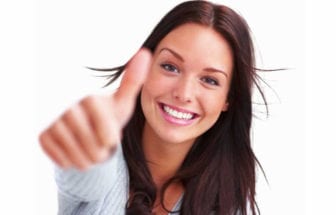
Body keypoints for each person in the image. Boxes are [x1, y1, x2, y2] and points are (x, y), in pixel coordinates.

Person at [39, 1, 267, 214]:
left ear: (228, 99)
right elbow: (88, 177)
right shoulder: (108, 159)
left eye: (210, 80)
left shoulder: (229, 202)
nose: (184, 93)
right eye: (170, 67)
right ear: (145, 69)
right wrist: (87, 145)